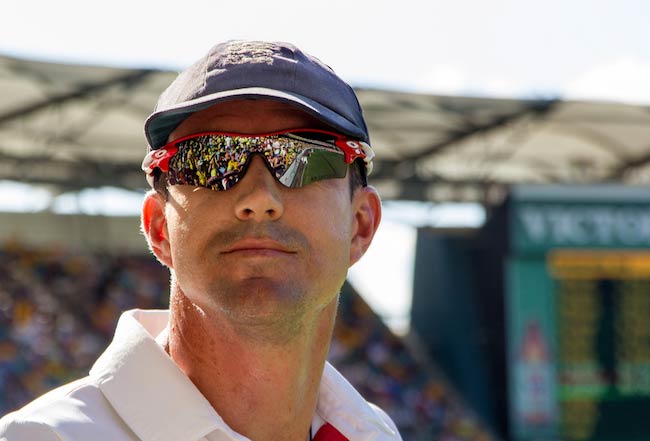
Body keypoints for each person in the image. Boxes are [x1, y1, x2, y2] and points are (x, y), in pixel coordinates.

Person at [0, 40, 401, 441]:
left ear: (360, 225)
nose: (259, 199)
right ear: (159, 228)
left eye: (304, 158)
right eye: (209, 159)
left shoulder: (375, 433)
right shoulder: (45, 436)